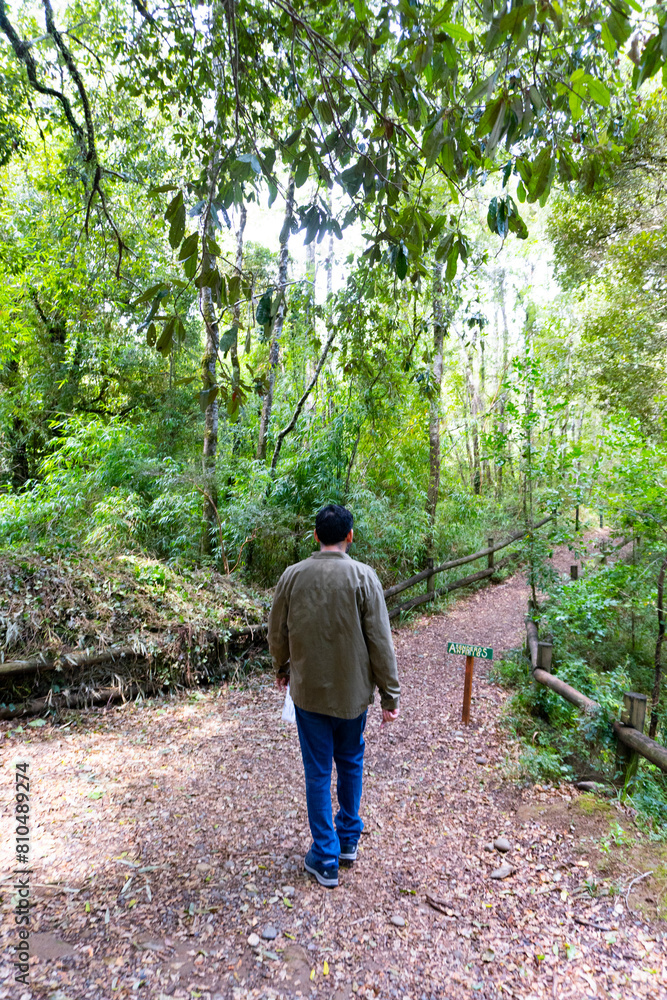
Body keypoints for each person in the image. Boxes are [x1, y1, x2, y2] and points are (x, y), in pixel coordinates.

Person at [268, 503, 400, 888]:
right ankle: (348, 841)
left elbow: (277, 631)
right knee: (351, 762)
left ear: (315, 536)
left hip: (308, 693)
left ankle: (325, 856)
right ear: (349, 536)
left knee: (318, 770)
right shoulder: (364, 577)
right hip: (353, 694)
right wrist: (389, 696)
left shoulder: (293, 576)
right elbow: (380, 641)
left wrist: (282, 667)